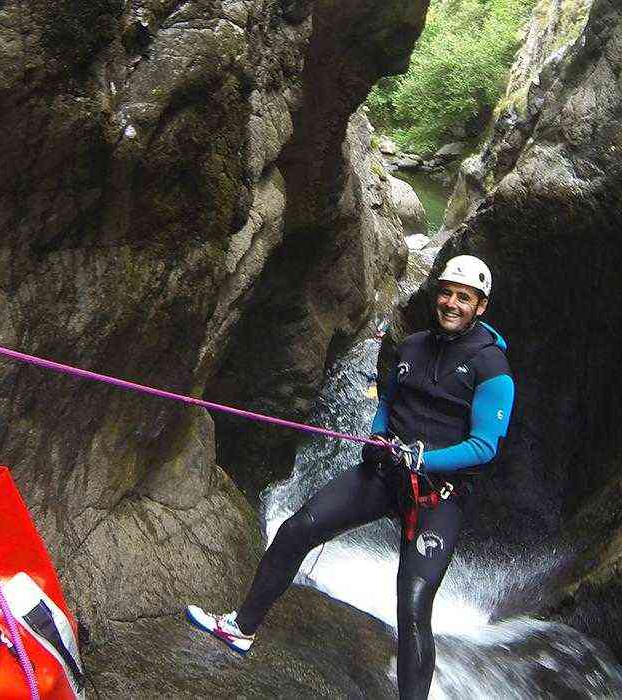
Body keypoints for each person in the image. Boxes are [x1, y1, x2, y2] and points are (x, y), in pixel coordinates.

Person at [187, 255, 515, 699]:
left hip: (438, 495)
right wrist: (378, 435)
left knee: (414, 602)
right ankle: (241, 628)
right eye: (445, 292)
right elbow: (387, 399)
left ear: (480, 306)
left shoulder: (493, 369)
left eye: (463, 297)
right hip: (384, 473)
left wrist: (425, 460)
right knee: (296, 528)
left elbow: (485, 445)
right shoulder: (412, 346)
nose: (451, 303)